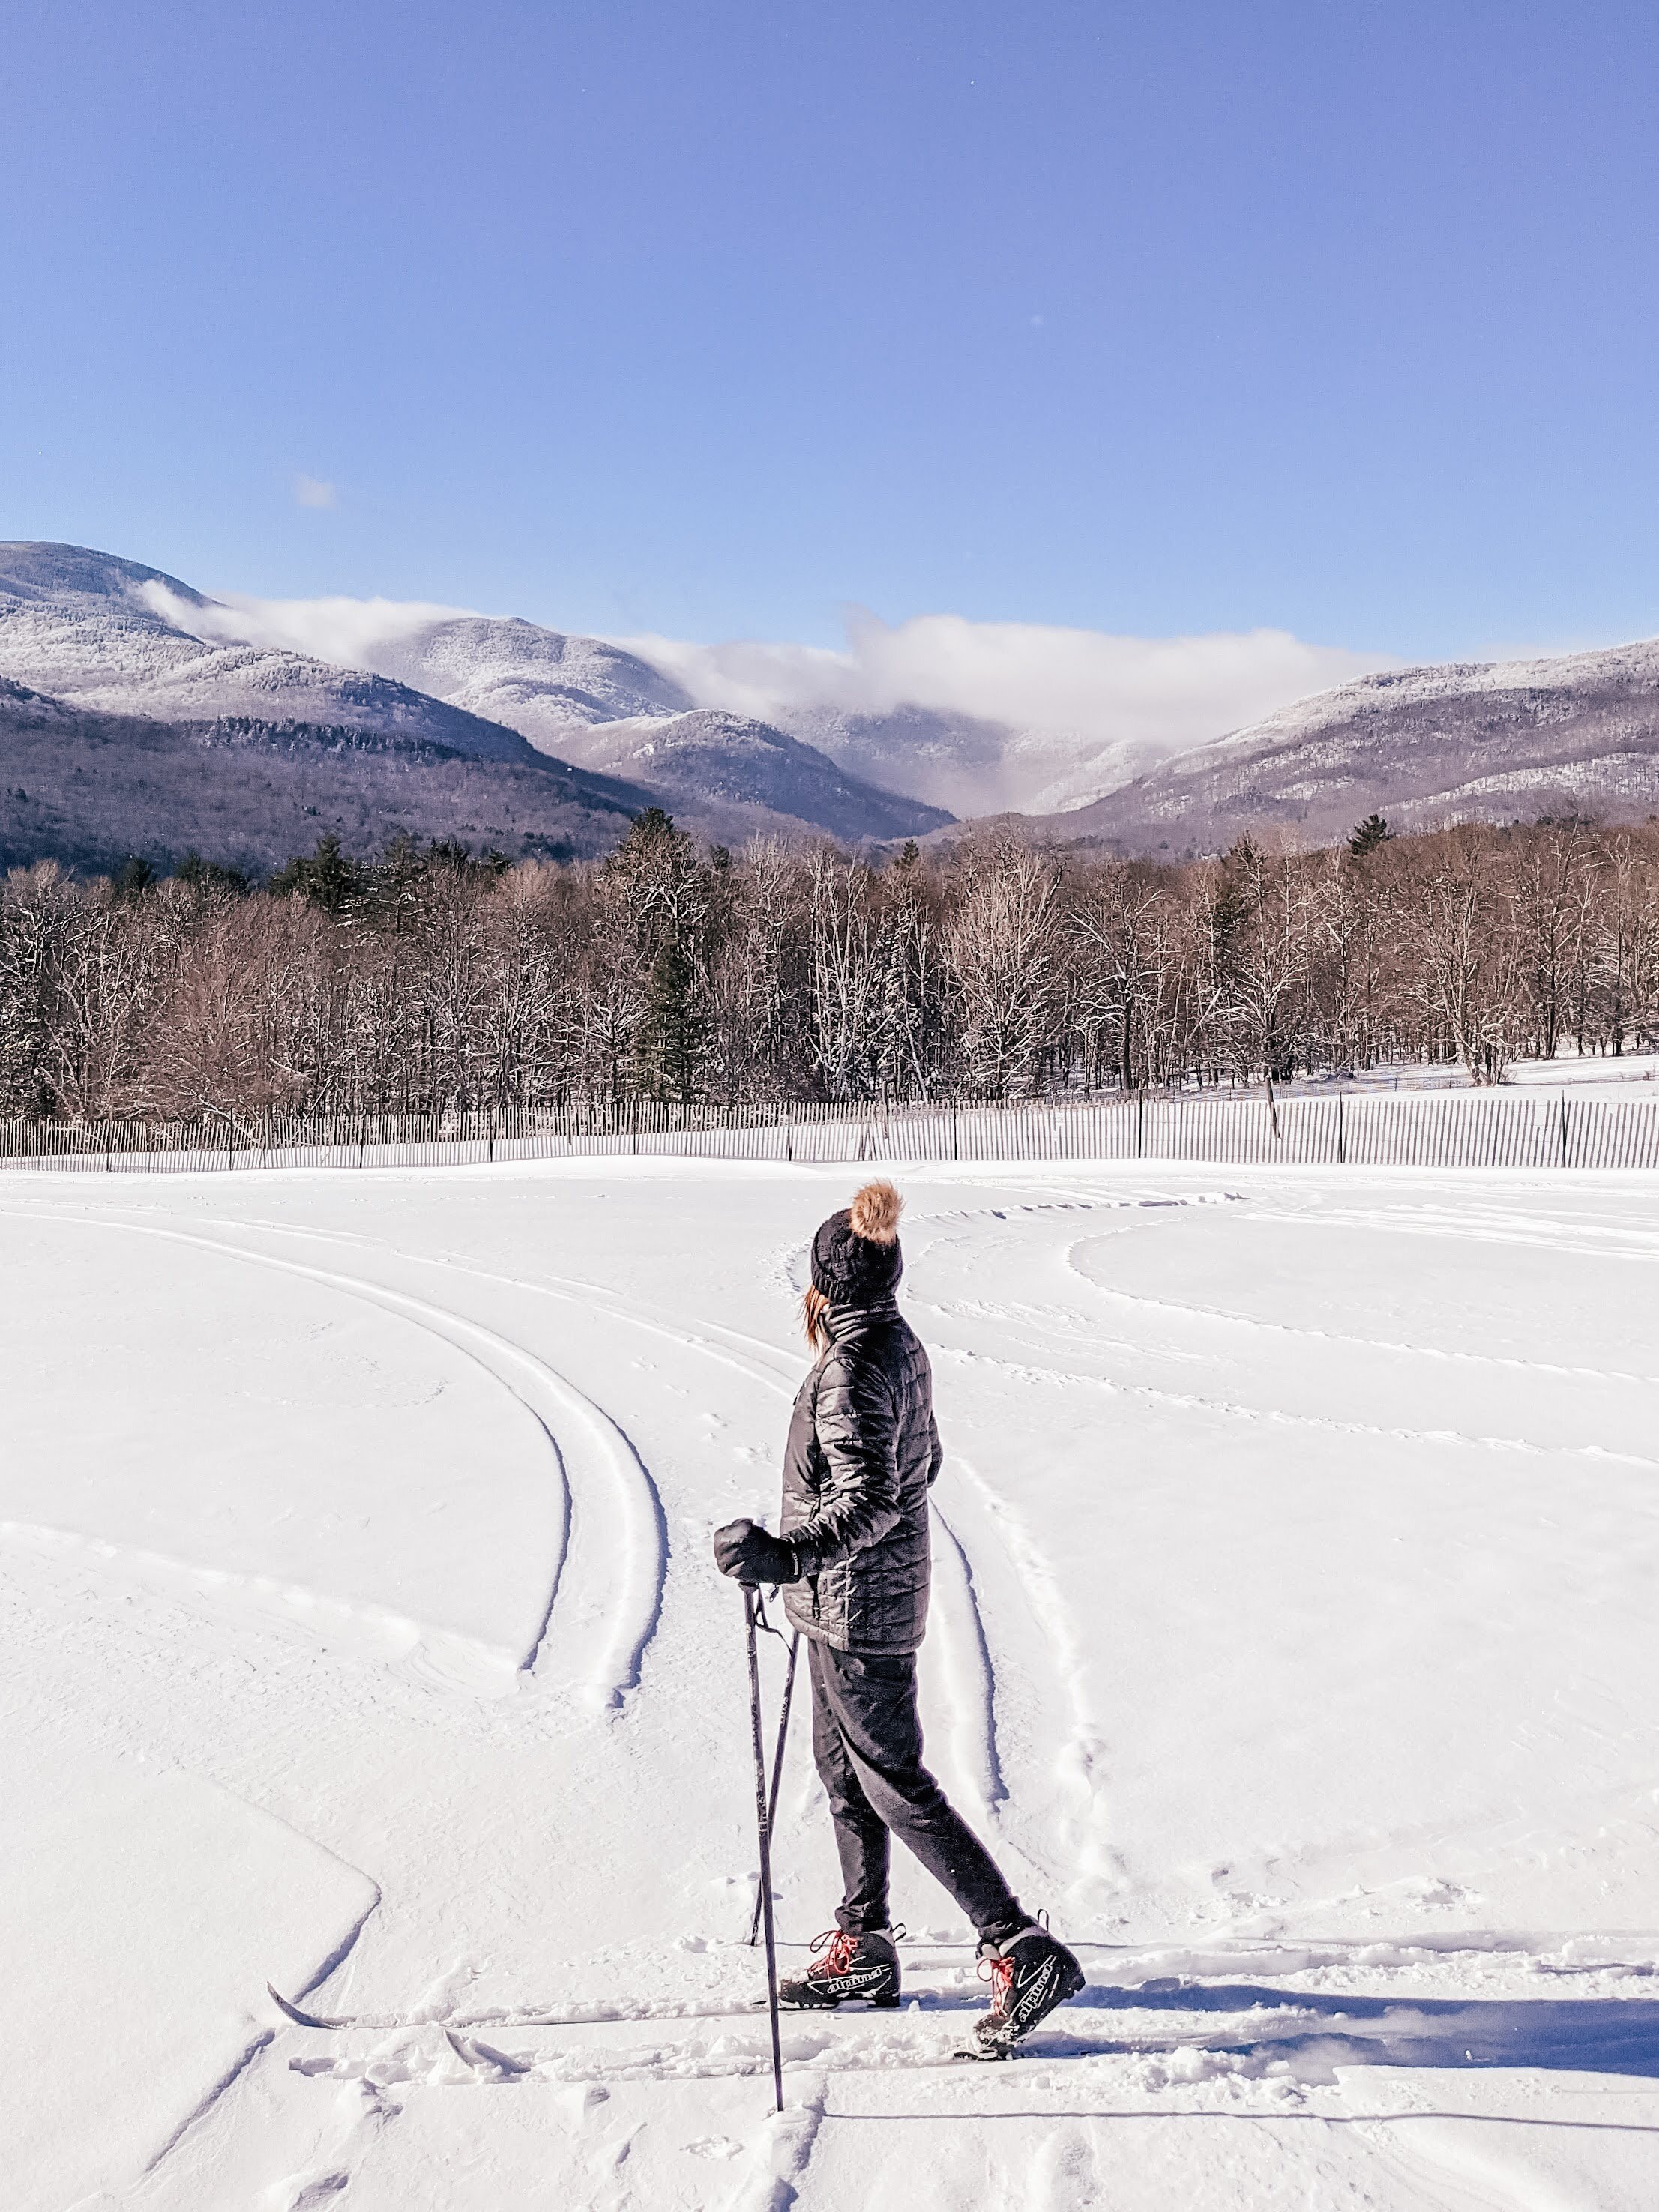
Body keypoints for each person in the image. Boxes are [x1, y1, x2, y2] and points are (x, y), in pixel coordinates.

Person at [714, 1179, 1083, 2058]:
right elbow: (923, 1461)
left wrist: (784, 1554)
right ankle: (864, 1945)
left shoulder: (851, 1365)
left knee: (891, 1780)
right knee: (840, 1769)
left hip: (857, 1603)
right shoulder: (896, 1343)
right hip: (847, 1598)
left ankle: (1018, 1945)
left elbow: (874, 1493)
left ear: (822, 1286)